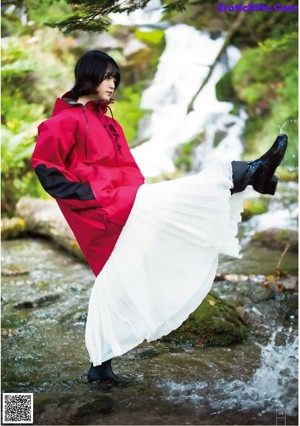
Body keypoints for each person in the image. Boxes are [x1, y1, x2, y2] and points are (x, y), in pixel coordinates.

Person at [31, 50, 288, 383]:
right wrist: (91, 197)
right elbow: (46, 168)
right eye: (108, 77)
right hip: (106, 211)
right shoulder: (64, 121)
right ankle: (251, 173)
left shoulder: (109, 121)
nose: (113, 84)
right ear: (89, 77)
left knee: (116, 282)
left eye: (115, 79)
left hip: (128, 202)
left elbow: (125, 168)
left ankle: (99, 368)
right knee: (188, 195)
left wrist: (127, 191)